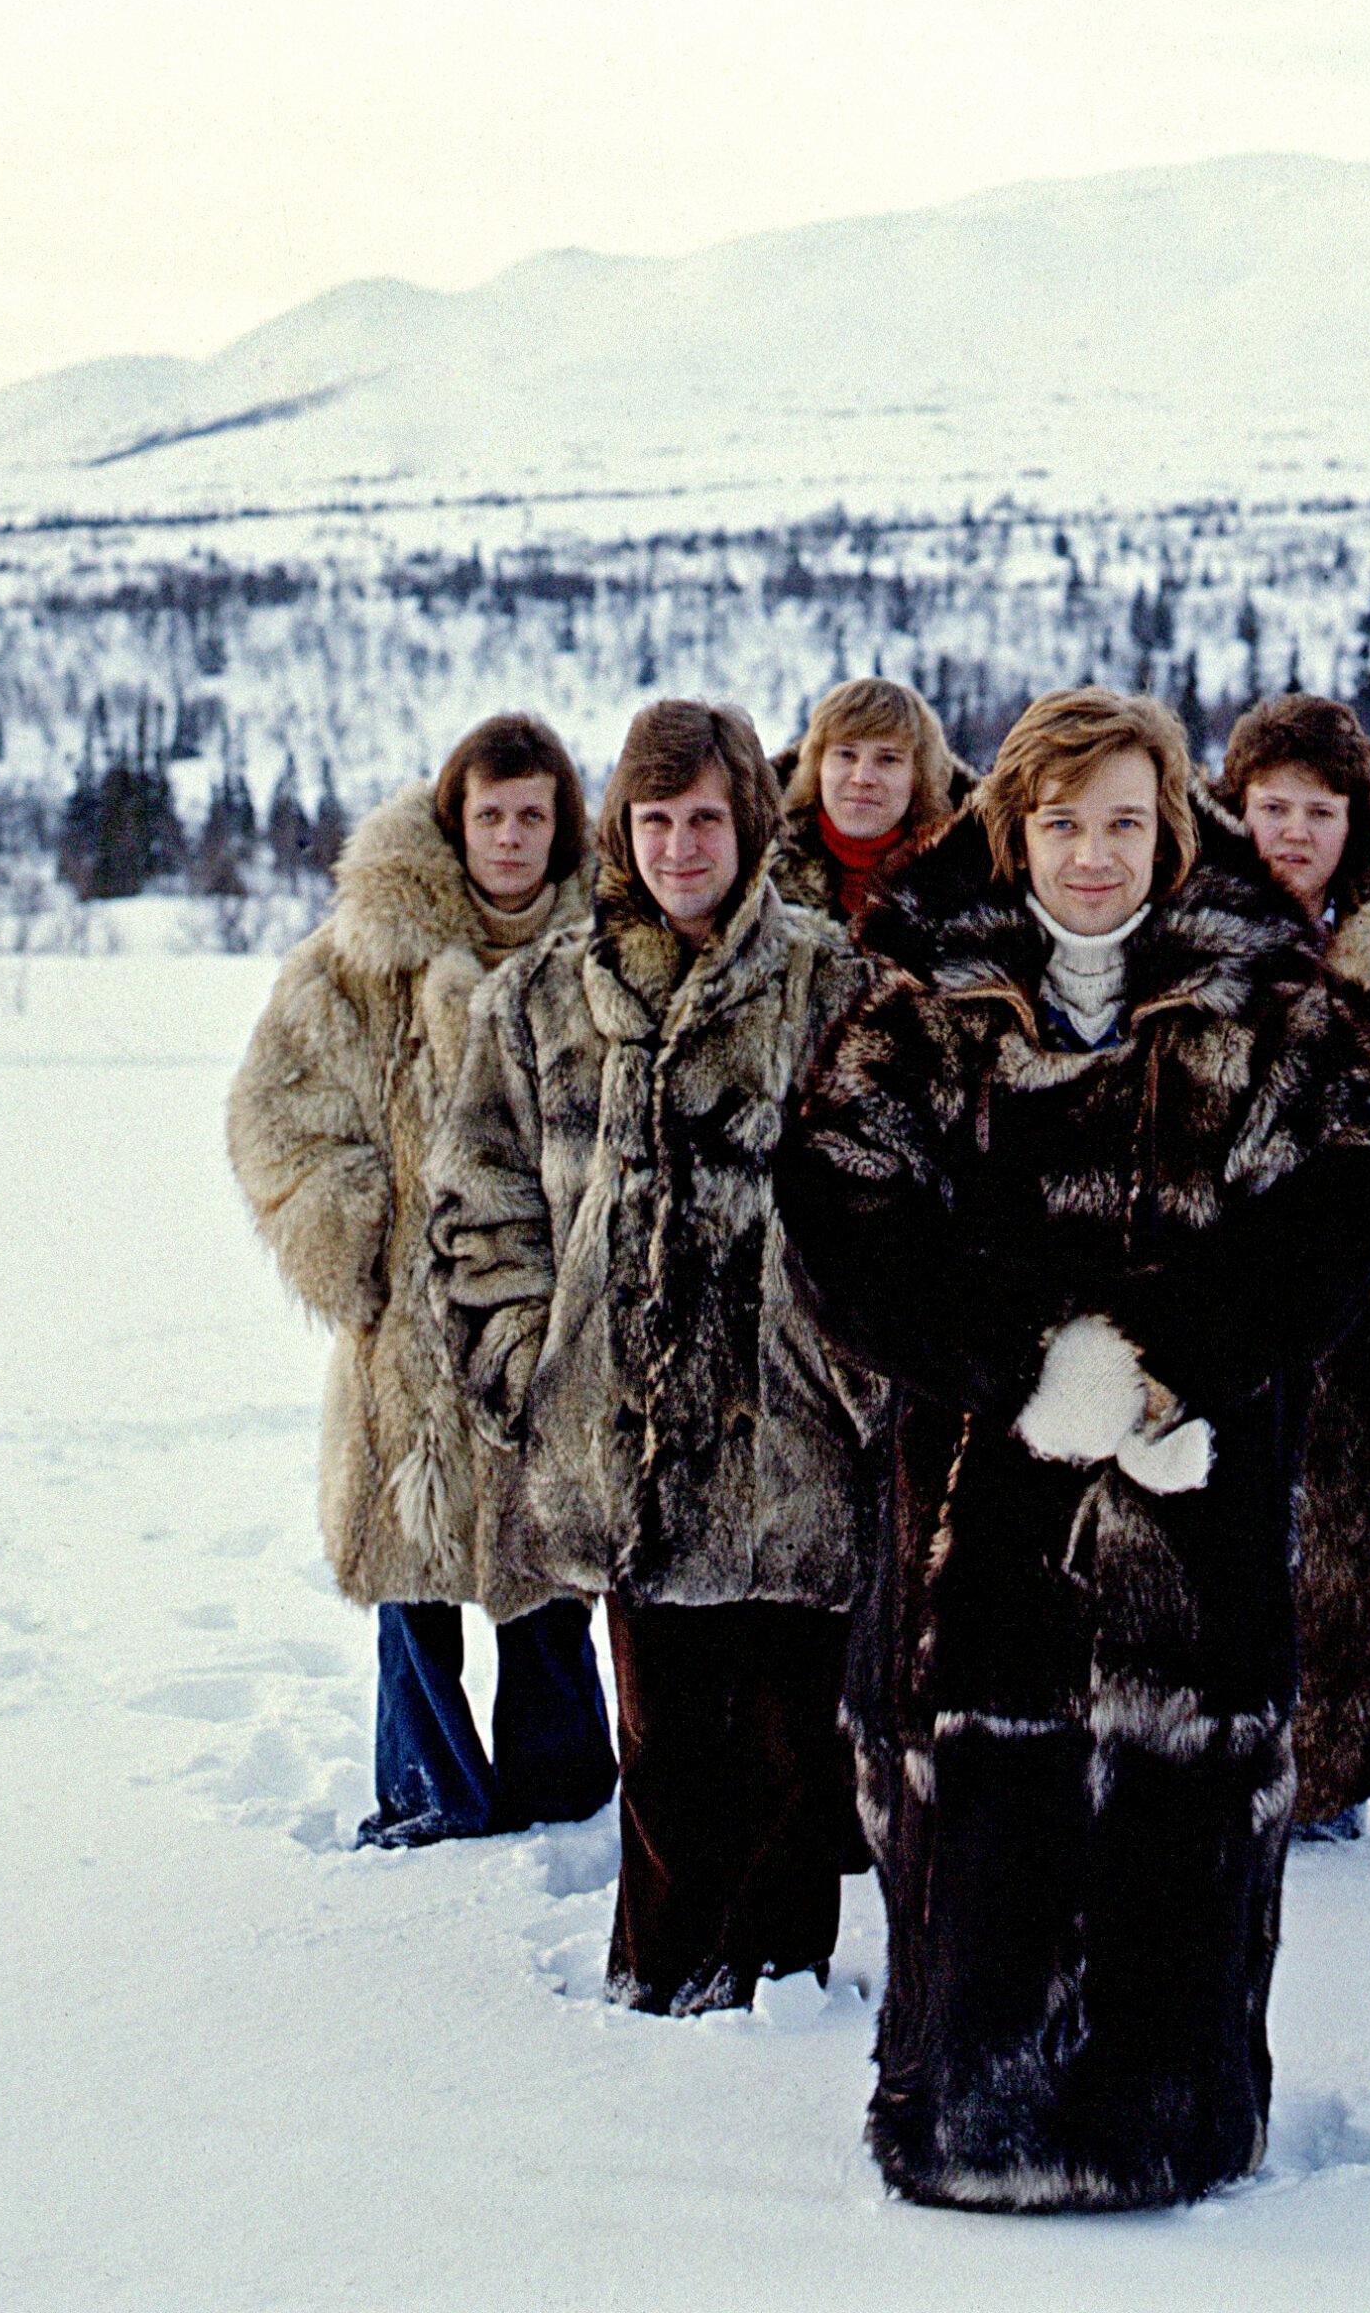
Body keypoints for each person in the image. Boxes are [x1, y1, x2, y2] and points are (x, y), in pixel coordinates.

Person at [778, 688, 1370, 2210]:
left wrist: (1170, 1366)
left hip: (1195, 1509)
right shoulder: (914, 1003)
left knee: (1180, 1823)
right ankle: (974, 2130)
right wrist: (1020, 1359)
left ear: (1170, 824)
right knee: (977, 1818)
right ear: (1015, 827)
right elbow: (838, 1212)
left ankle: (1166, 2126)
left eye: (1125, 820)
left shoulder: (1275, 1006)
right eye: (1063, 823)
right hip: (976, 1514)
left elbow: (1340, 1201)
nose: (1094, 855)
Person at [427, 701, 879, 2013]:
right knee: (671, 1753)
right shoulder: (542, 995)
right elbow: (478, 1195)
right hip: (622, 1447)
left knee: (803, 1751)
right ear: (622, 831)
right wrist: (524, 1361)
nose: (682, 846)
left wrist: (854, 1373)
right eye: (655, 819)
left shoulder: (829, 981)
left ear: (750, 822)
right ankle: (666, 1995)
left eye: (706, 819)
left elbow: (895, 1193)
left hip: (796, 1448)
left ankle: (789, 1991)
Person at [227, 715, 616, 1849]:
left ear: (563, 825)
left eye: (531, 815)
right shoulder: (363, 957)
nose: (509, 837)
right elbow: (273, 1113)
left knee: (547, 1565)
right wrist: (359, 1250)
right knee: (414, 1569)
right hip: (409, 1331)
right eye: (488, 814)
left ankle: (562, 1791)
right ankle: (427, 1790)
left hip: (552, 1320)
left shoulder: (598, 956)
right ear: (454, 822)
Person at [1220, 695, 1370, 1842]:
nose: (1293, 832)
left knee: (1364, 1542)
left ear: (1355, 820)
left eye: (1318, 810)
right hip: (1230, 1277)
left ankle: (1334, 1772)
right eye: (1272, 806)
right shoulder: (1193, 926)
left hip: (1369, 1289)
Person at [769, 676, 965, 923]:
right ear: (816, 766)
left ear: (919, 776)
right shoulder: (754, 871)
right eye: (846, 754)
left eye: (888, 759)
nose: (862, 778)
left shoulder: (972, 885)